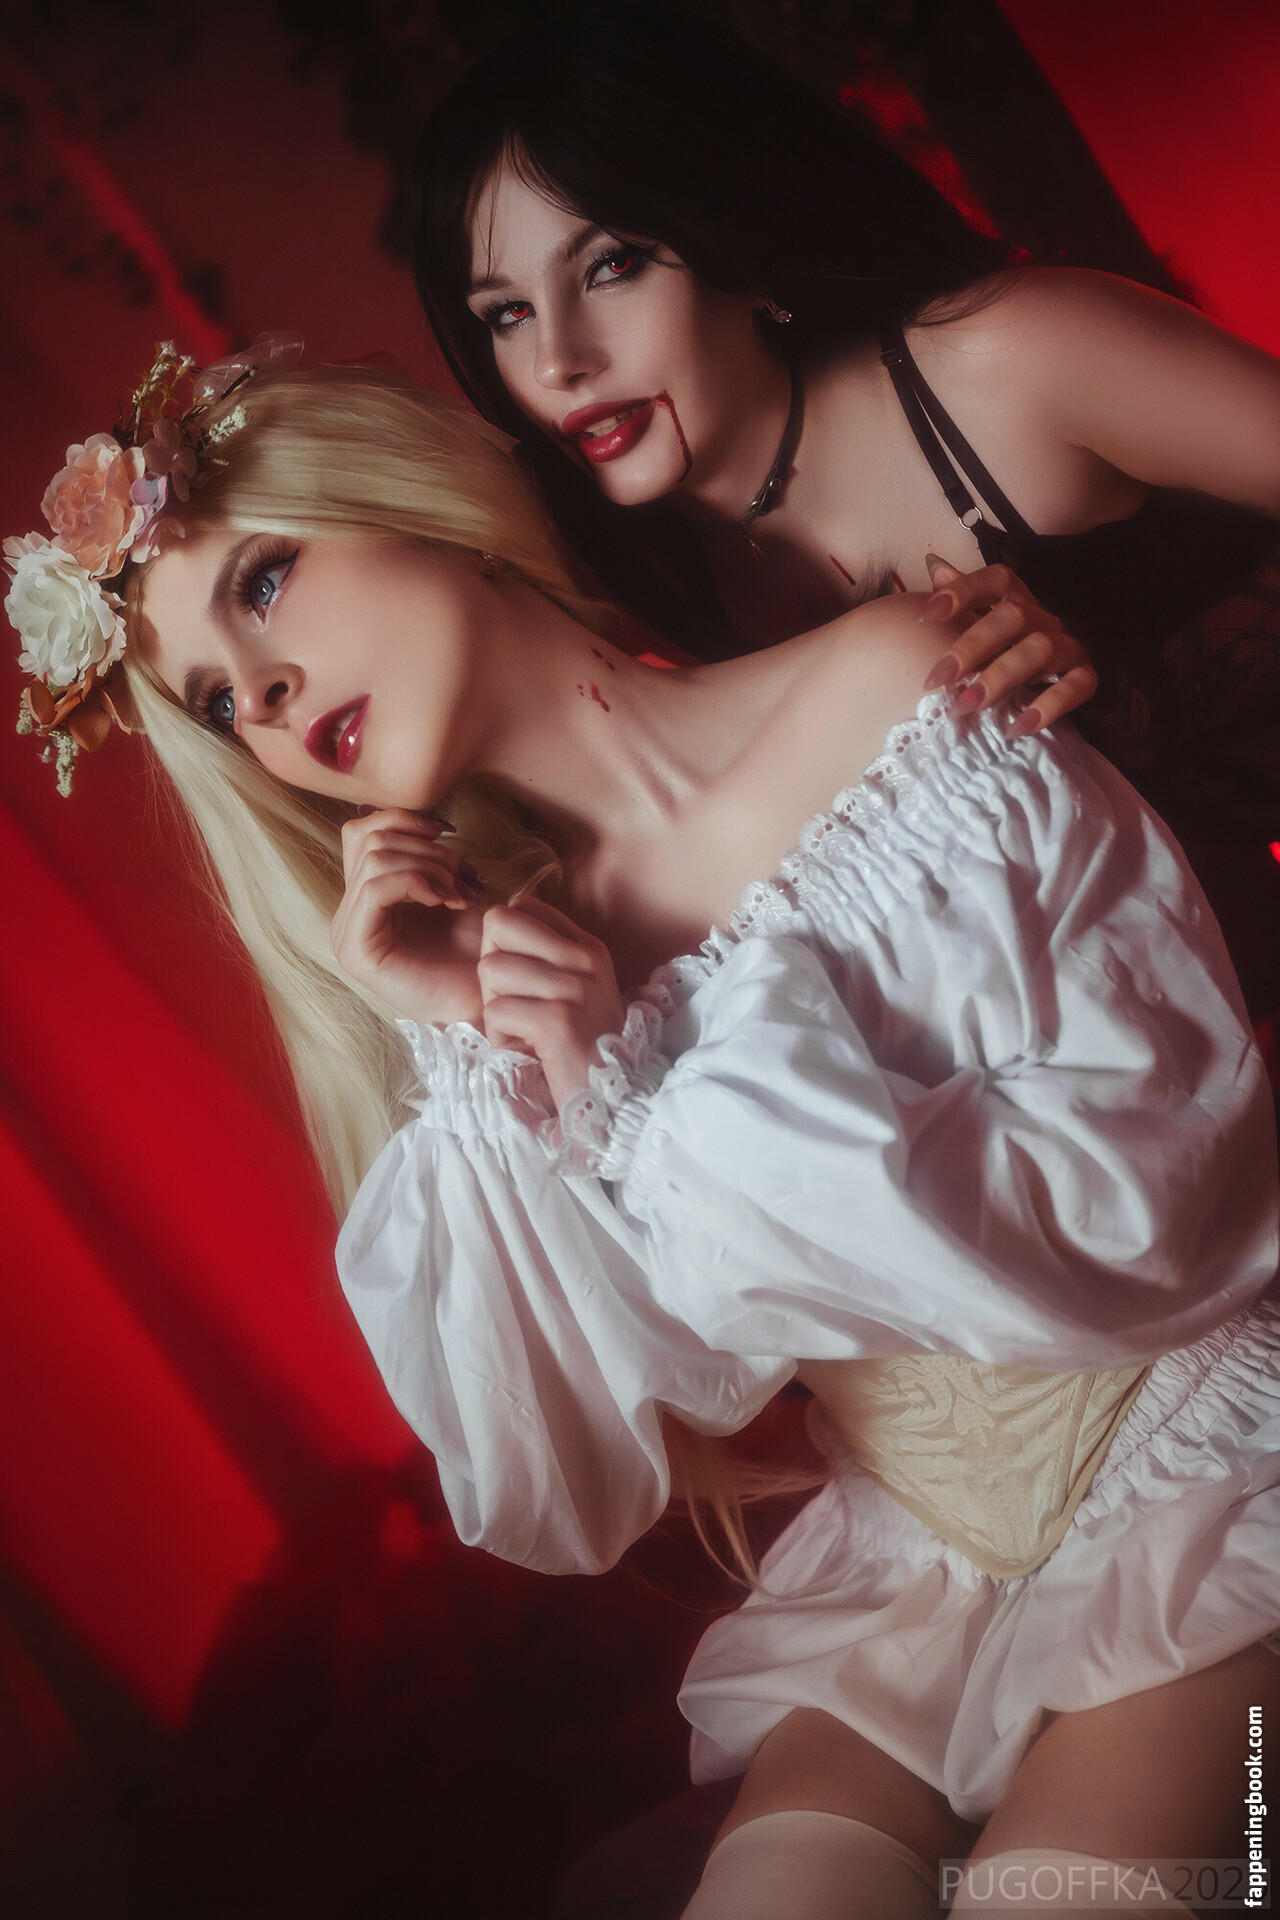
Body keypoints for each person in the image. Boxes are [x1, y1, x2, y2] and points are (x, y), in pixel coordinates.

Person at [10, 350, 1278, 1917]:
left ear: (417, 502)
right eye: (215, 699)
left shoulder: (902, 689)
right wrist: (513, 1056)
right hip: (922, 1577)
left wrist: (646, 1090)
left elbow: (1147, 1201)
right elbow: (570, 1480)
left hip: (1216, 1462)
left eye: (262, 583)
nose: (257, 695)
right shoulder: (522, 981)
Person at [410, 2, 1280, 1010]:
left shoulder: (1013, 362)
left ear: (734, 235)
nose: (558, 360)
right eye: (507, 314)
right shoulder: (644, 582)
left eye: (611, 265)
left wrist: (1115, 677)